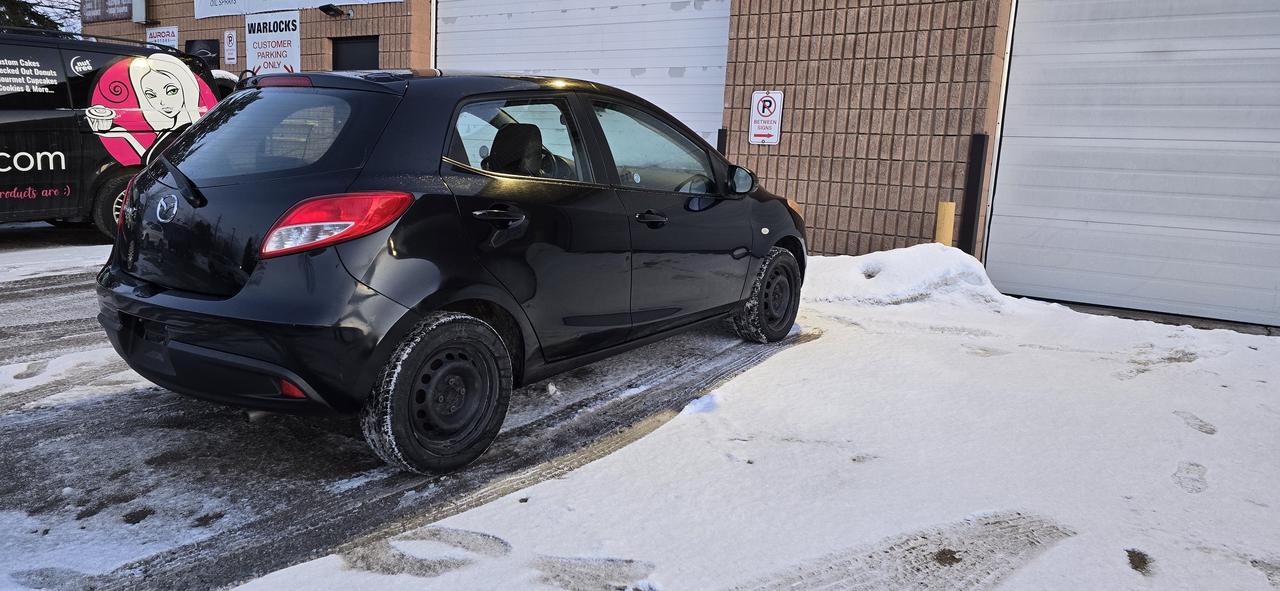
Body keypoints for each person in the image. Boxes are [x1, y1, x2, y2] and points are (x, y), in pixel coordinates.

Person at [88, 53, 203, 164]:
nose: (162, 102)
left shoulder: (188, 130)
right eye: (151, 95)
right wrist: (124, 134)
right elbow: (148, 162)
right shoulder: (168, 130)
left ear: (185, 87)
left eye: (171, 91)